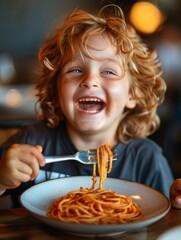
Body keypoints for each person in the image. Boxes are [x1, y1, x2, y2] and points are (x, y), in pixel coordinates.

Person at [0, 4, 175, 209]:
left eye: (108, 72)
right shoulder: (31, 142)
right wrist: (1, 177)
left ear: (133, 93)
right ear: (56, 91)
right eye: (75, 69)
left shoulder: (146, 159)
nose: (90, 80)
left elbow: (166, 221)